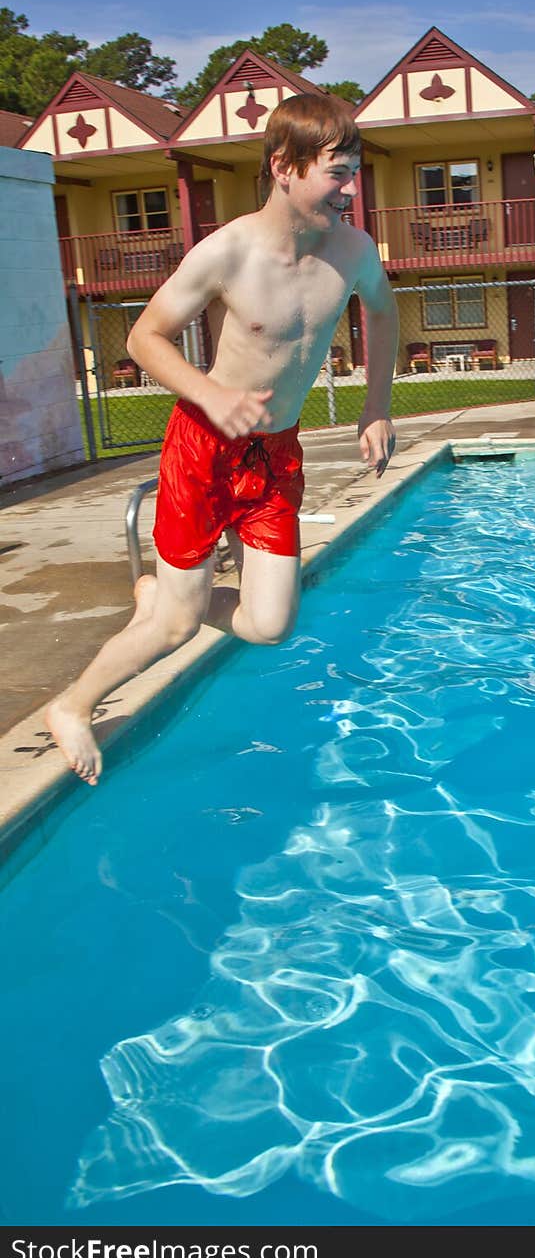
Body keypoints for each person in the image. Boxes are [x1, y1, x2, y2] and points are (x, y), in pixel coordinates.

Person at [46, 93, 399, 786]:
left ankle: (165, 600)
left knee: (270, 624)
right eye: (336, 171)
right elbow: (145, 336)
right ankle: (73, 705)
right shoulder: (229, 253)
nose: (349, 188)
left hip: (275, 452)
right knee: (175, 629)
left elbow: (384, 316)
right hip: (204, 446)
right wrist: (209, 392)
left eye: (353, 170)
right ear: (284, 167)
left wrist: (377, 406)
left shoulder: (353, 251)